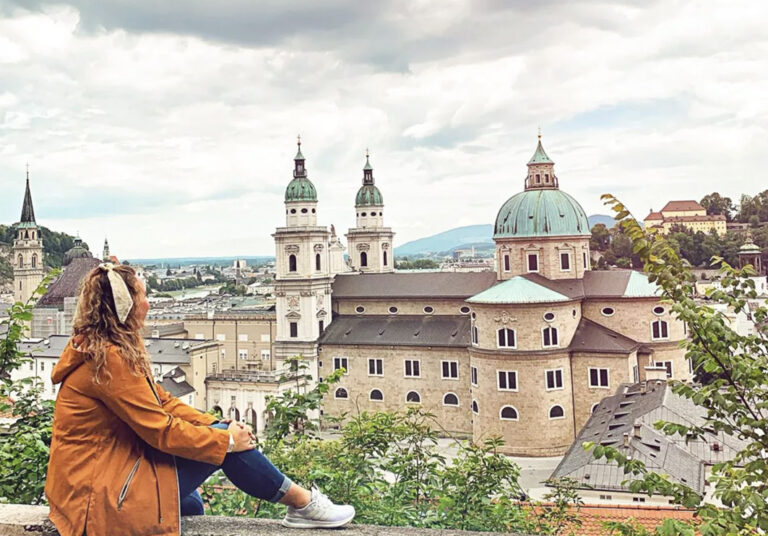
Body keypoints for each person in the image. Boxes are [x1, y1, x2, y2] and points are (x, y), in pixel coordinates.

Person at [45, 263, 354, 536]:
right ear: (123, 308)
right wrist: (226, 441)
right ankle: (302, 504)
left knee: (189, 504)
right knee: (225, 451)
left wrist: (217, 423)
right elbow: (161, 429)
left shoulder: (102, 348)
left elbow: (161, 401)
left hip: (96, 478)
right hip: (96, 494)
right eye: (142, 295)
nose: (148, 303)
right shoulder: (108, 359)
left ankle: (293, 497)